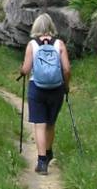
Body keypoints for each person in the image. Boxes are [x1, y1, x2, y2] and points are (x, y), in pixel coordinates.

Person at [19, 13, 71, 175]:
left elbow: (26, 69)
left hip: (37, 87)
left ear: (35, 27)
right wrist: (66, 86)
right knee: (50, 123)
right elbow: (67, 69)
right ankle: (48, 153)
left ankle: (42, 162)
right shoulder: (59, 44)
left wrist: (21, 71)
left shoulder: (32, 45)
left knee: (39, 125)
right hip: (56, 88)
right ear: (51, 27)